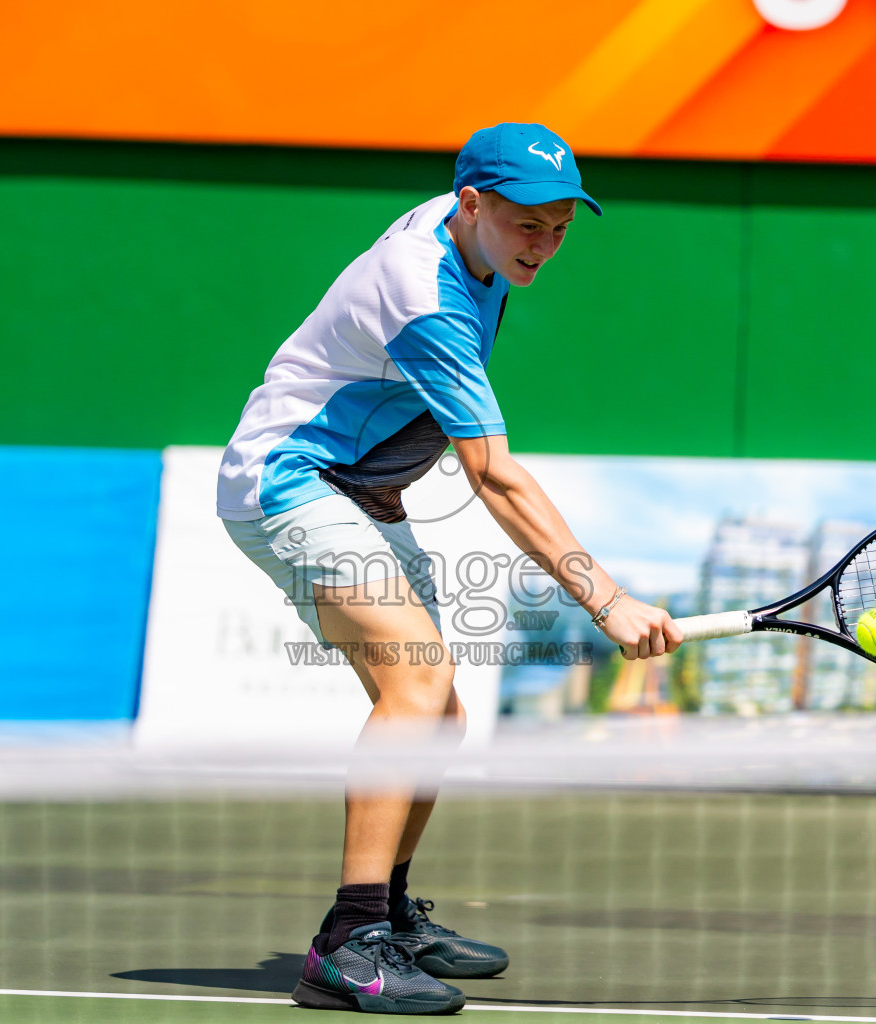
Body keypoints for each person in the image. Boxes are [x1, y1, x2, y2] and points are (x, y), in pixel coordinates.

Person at [217, 123, 683, 1014]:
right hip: (292, 481)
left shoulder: (468, 232)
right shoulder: (425, 296)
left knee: (439, 710)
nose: (543, 247)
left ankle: (387, 916)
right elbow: (493, 475)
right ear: (473, 203)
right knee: (418, 680)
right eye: (527, 226)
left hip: (361, 489)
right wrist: (607, 598)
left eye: (559, 229)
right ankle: (347, 944)